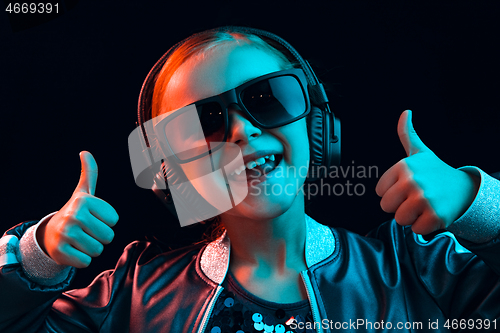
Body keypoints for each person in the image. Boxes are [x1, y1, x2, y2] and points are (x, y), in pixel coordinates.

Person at [1, 26, 499, 333]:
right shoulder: (130, 297)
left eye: (268, 99)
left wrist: (479, 205)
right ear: (169, 171)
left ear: (317, 124)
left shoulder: (421, 273)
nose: (242, 131)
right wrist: (37, 257)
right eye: (201, 123)